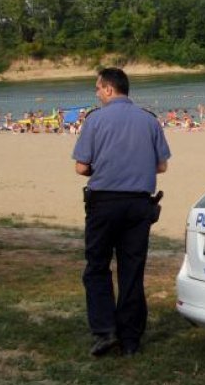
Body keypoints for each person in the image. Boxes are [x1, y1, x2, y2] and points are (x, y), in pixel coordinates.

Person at [72, 68, 171, 358]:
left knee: (98, 266)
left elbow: (81, 167)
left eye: (97, 88)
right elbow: (162, 165)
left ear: (108, 89)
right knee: (132, 270)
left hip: (104, 203)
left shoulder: (95, 120)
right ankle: (130, 338)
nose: (96, 93)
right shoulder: (149, 120)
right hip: (139, 204)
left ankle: (105, 331)